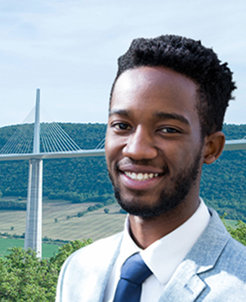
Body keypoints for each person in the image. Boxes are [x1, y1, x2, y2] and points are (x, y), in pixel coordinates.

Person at [56, 35, 246, 301]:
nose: (135, 149)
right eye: (122, 125)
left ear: (211, 147)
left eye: (168, 130)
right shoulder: (78, 270)